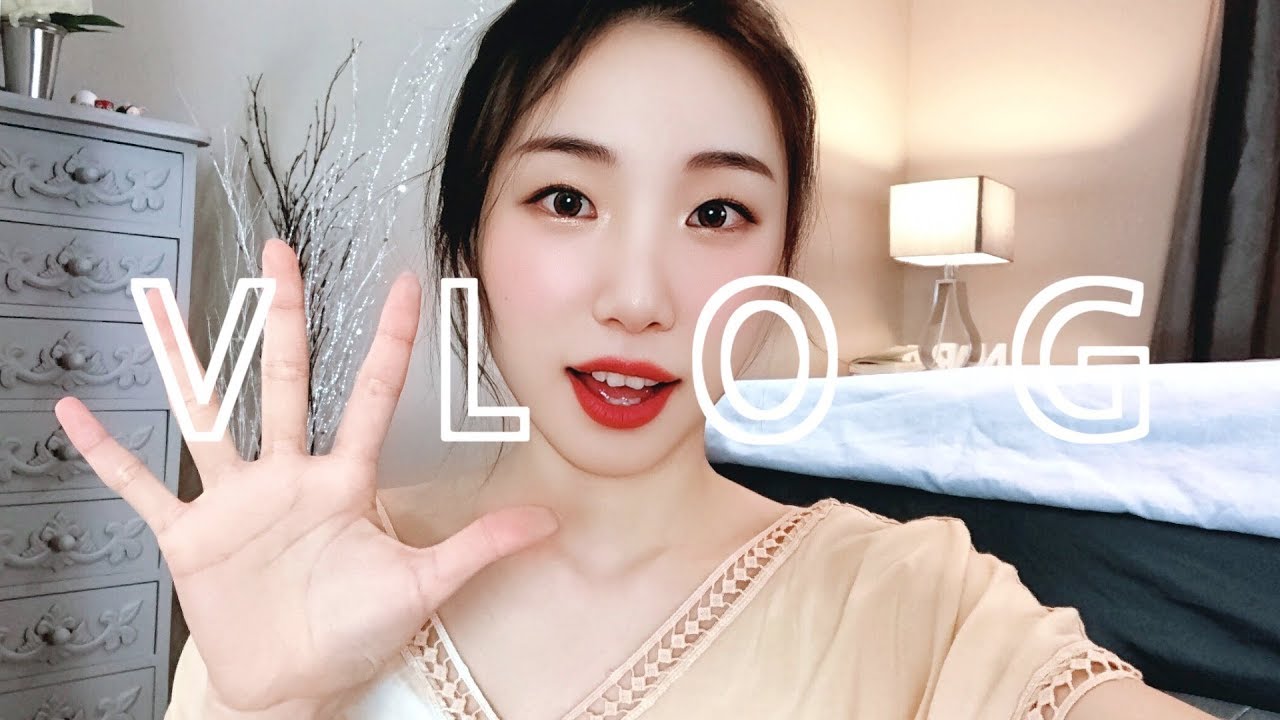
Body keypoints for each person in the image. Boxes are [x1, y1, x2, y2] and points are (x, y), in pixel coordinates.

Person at [53, 1, 1216, 718]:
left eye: (716, 213)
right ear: (467, 236)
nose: (638, 298)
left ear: (781, 260)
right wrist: (252, 706)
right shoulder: (299, 581)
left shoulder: (915, 600)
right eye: (566, 198)